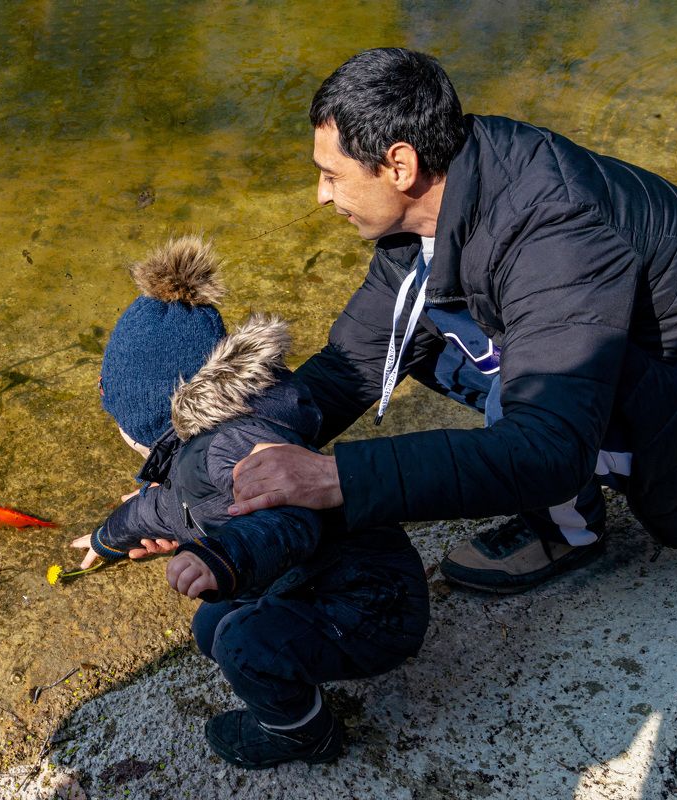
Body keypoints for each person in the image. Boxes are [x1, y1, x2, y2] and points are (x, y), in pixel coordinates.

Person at [228, 47, 677, 594]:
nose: (322, 195)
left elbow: (548, 450)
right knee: (422, 334)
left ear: (399, 166)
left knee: (519, 402)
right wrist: (202, 470)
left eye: (331, 175)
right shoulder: (449, 194)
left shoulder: (557, 233)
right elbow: (353, 362)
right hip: (629, 366)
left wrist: (338, 478)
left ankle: (569, 535)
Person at [71, 235, 429, 768]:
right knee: (209, 628)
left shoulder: (234, 447)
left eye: (121, 422)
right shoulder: (200, 449)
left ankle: (304, 736)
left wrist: (221, 557)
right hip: (313, 580)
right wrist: (107, 539)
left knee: (241, 642)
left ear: (158, 415)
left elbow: (290, 521)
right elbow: (157, 510)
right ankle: (292, 672)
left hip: (373, 605)